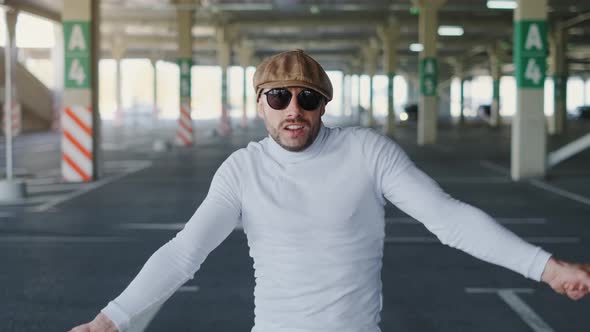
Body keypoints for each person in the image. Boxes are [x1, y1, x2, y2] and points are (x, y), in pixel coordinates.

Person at [70, 50, 590, 332]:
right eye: (279, 97)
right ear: (261, 104)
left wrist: (546, 268)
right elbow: (186, 252)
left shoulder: (368, 153)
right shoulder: (240, 170)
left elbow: (448, 219)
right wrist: (109, 320)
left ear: (323, 105)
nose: (293, 108)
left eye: (307, 98)